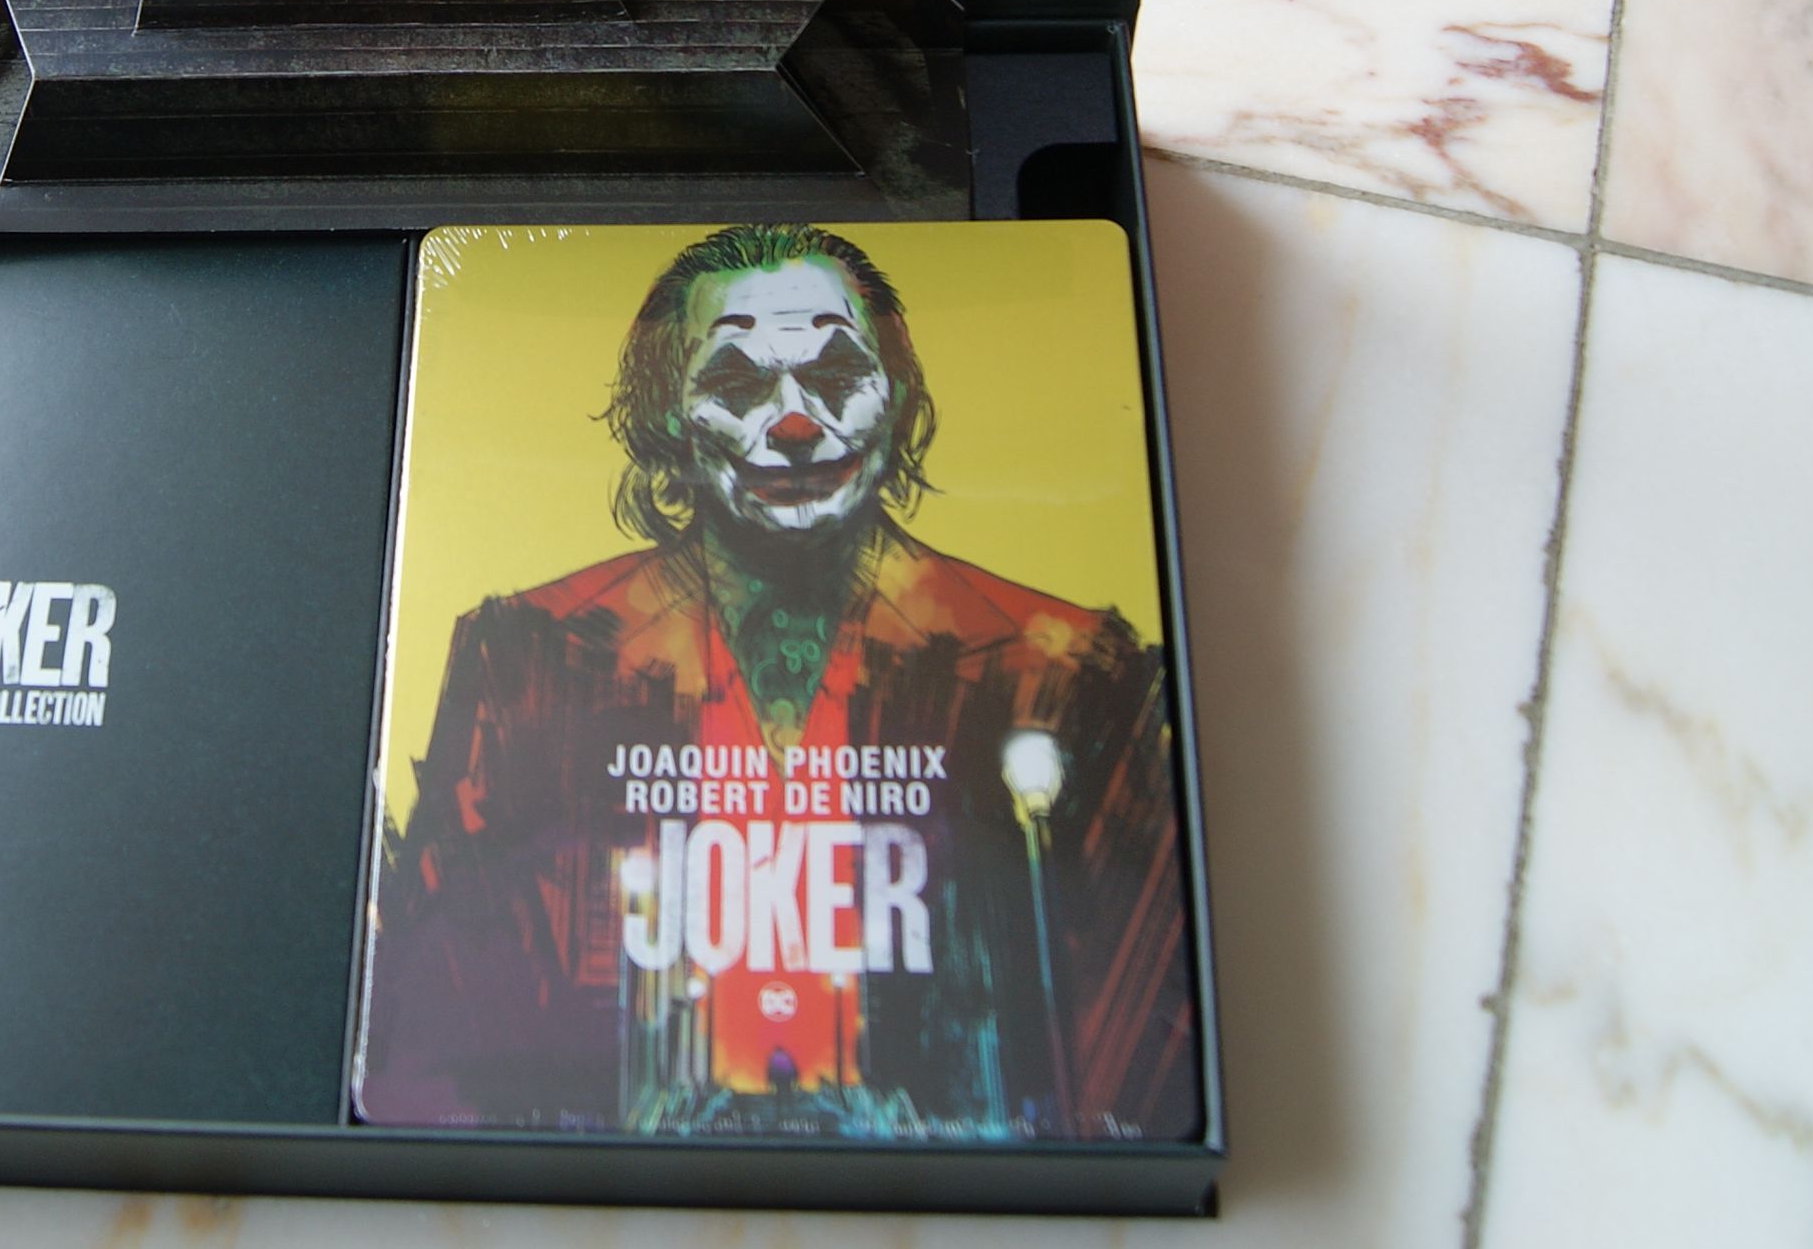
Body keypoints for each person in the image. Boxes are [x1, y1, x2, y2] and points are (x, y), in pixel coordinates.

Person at [354, 224, 1200, 1139]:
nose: (795, 427)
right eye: (735, 385)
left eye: (836, 377)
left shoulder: (1068, 669)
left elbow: (1146, 1068)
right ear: (668, 419)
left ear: (897, 399)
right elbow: (428, 1050)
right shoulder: (526, 656)